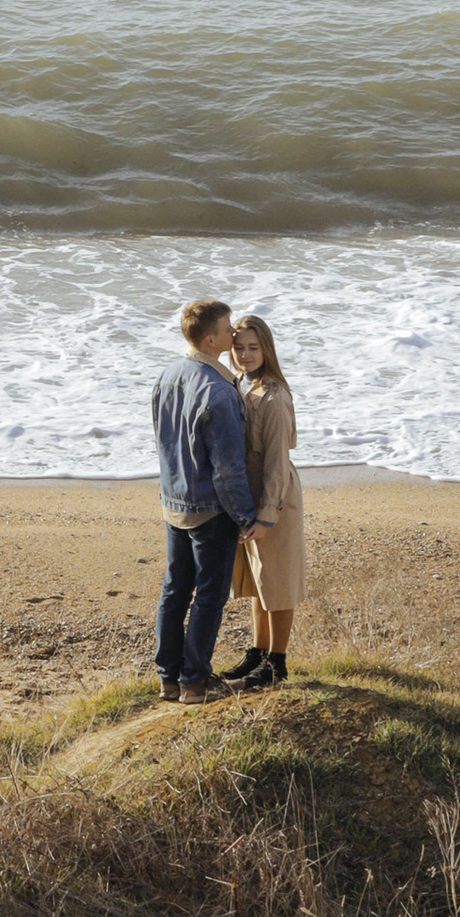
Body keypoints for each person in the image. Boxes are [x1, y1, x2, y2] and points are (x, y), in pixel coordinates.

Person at [151, 297, 253, 702]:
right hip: (209, 509)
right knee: (209, 593)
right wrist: (246, 516)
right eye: (228, 329)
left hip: (173, 499)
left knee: (175, 588)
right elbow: (228, 470)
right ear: (211, 339)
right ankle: (194, 682)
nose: (234, 335)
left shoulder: (168, 375)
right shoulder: (220, 393)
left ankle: (168, 678)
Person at [223, 312, 303, 689]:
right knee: (258, 582)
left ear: (267, 348)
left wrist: (268, 513)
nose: (245, 354)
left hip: (277, 498)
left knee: (277, 582)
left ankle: (277, 663)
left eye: (254, 347)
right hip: (251, 498)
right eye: (239, 347)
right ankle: (257, 652)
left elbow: (277, 462)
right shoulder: (239, 384)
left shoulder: (273, 395)